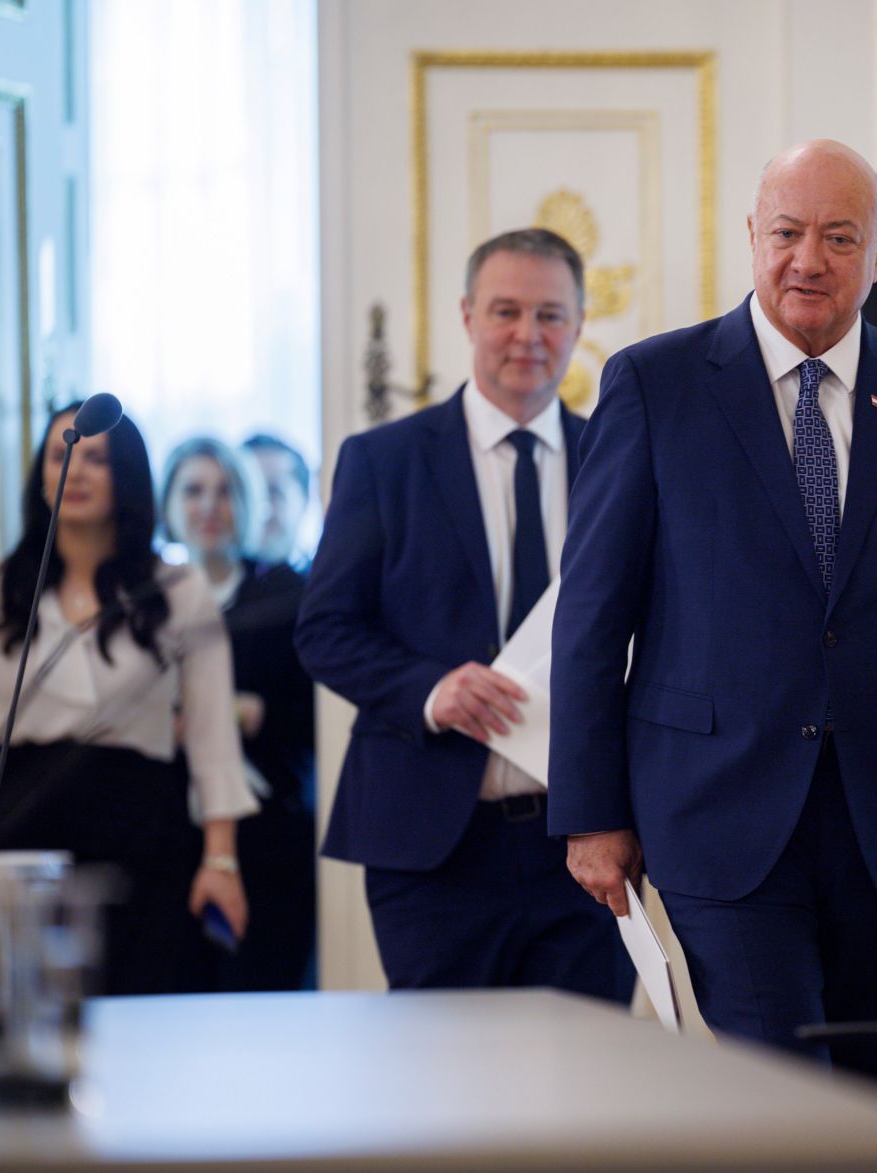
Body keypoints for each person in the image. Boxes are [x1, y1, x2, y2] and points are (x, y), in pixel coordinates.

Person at [549, 140, 877, 1079]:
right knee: (778, 1106)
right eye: (785, 233)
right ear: (751, 236)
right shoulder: (654, 386)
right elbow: (591, 616)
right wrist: (589, 810)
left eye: (838, 236)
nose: (806, 259)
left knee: (874, 1105)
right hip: (714, 818)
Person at [297, 228, 631, 999]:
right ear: (466, 316)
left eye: (550, 315)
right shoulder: (383, 460)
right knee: (443, 1092)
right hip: (430, 847)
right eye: (505, 311)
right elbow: (324, 629)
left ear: (580, 325)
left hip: (585, 844)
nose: (527, 335)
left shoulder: (620, 461)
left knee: (583, 1093)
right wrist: (429, 689)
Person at [0, 405, 256, 995]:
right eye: (62, 455)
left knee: (138, 1013)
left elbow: (214, 739)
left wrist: (221, 863)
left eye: (97, 457)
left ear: (129, 474)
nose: (77, 470)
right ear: (42, 474)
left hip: (139, 823)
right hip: (17, 825)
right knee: (8, 1017)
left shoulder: (177, 589)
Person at [161, 436, 316, 990]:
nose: (208, 506)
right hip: (167, 829)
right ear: (168, 503)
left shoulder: (288, 595)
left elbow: (318, 716)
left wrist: (255, 713)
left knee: (256, 991)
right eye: (193, 490)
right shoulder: (146, 597)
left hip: (268, 829)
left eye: (225, 490)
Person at [241, 433, 313, 568]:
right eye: (249, 493)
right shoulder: (202, 583)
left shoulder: (326, 583)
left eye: (273, 492)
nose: (261, 508)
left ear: (305, 500)